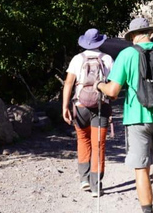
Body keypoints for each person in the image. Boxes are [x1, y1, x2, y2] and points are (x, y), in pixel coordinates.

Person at [97, 17, 153, 213]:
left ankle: (147, 211)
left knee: (141, 167)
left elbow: (112, 91)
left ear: (132, 36)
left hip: (136, 118)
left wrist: (99, 85)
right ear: (150, 33)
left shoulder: (126, 54)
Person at [62, 28, 114, 197]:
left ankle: (84, 180)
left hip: (80, 106)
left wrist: (65, 107)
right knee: (98, 145)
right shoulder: (107, 59)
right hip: (101, 106)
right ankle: (95, 185)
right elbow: (113, 86)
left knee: (83, 140)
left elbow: (69, 83)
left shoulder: (78, 59)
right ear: (100, 41)